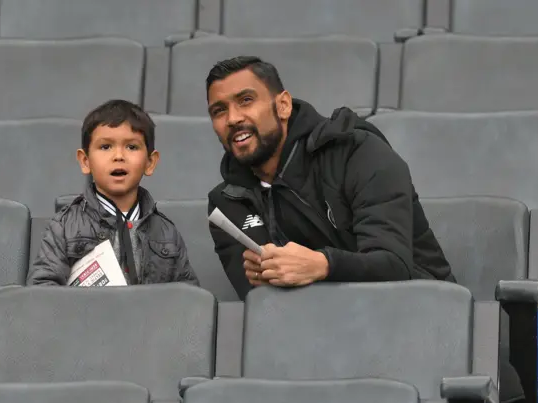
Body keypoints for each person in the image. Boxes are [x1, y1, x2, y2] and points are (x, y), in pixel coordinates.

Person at [206, 56, 455, 300]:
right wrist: (269, 279)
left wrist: (323, 265)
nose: (233, 119)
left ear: (283, 105)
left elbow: (394, 264)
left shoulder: (359, 153)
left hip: (418, 311)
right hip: (315, 329)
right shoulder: (227, 203)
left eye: (246, 100)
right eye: (219, 111)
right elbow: (263, 306)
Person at [27, 99, 198, 286]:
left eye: (132, 147)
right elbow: (42, 290)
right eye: (105, 147)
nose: (118, 156)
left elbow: (187, 296)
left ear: (150, 162)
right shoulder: (64, 227)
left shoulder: (167, 233)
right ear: (85, 161)